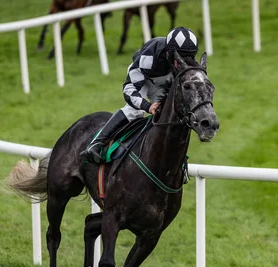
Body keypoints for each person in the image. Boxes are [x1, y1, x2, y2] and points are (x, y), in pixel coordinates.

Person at [80, 27, 199, 164]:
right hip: (143, 77)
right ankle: (96, 143)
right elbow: (129, 90)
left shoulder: (184, 62)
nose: (184, 62)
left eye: (188, 57)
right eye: (180, 57)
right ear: (170, 53)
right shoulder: (148, 58)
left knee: (170, 113)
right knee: (135, 111)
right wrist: (147, 106)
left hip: (163, 80)